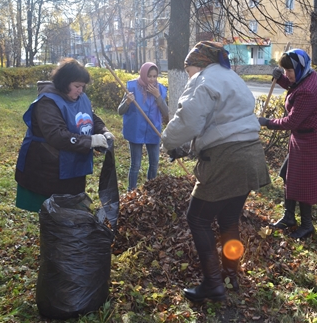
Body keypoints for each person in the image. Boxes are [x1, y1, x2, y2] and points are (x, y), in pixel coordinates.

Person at [161, 41, 271, 302]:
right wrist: (187, 147)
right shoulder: (232, 77)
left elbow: (189, 117)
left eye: (188, 70)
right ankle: (230, 273)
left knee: (197, 218)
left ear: (198, 63)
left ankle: (213, 284)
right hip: (250, 155)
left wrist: (168, 141)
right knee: (229, 219)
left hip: (226, 160)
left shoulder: (203, 77)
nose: (188, 74)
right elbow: (218, 122)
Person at [15, 57, 115, 212]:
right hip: (48, 168)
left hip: (73, 167)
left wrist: (103, 131)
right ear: (64, 82)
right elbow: (56, 135)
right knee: (52, 212)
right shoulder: (47, 102)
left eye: (82, 86)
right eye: (76, 86)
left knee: (71, 210)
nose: (80, 90)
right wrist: (90, 141)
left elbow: (90, 116)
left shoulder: (79, 96)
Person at [259, 49, 317, 239]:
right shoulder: (307, 75)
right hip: (304, 135)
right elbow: (294, 86)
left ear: (300, 67)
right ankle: (289, 217)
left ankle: (307, 225)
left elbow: (292, 122)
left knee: (304, 181)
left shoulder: (308, 91)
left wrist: (266, 122)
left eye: (289, 71)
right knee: (287, 173)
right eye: (284, 70)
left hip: (313, 138)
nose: (287, 74)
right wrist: (283, 80)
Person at [118, 62, 168, 191]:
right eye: (149, 76)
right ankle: (131, 190)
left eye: (154, 76)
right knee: (135, 164)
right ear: (143, 74)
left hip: (153, 129)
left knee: (154, 163)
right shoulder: (132, 87)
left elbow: (166, 113)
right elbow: (120, 111)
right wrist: (128, 102)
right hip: (136, 130)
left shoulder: (161, 90)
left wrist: (158, 97)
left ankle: (150, 189)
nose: (152, 79)